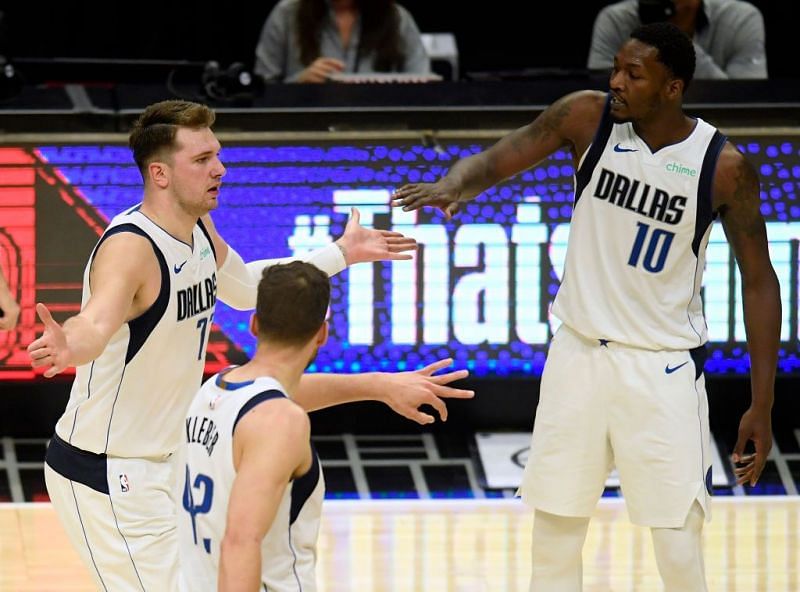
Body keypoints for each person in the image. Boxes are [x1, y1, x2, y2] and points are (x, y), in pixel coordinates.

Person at [393, 22, 780, 591]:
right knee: (553, 539)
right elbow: (500, 158)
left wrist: (761, 403)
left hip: (661, 367)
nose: (616, 81)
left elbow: (760, 283)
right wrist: (455, 183)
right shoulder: (586, 116)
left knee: (677, 547)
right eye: (616, 68)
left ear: (672, 88)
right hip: (577, 354)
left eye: (634, 74)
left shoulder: (722, 167)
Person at [28, 99, 472, 591]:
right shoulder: (130, 247)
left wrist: (338, 254)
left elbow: (241, 289)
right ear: (159, 173)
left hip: (170, 462)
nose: (220, 168)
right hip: (110, 473)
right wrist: (68, 344)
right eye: (201, 160)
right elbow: (95, 322)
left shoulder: (198, 228)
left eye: (217, 155)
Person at [179, 261, 330, 592]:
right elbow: (240, 542)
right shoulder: (281, 421)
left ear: (255, 324)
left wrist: (379, 386)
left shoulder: (214, 388)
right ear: (322, 333)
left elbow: (281, 391)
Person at [254, 0, 430, 83]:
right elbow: (260, 89)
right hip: (305, 133)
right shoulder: (286, 14)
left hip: (380, 134)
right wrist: (299, 83)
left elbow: (424, 84)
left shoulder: (396, 17)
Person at [588, 0, 767, 79]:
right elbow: (603, 95)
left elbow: (745, 98)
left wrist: (676, 37)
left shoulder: (741, 18)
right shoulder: (615, 20)